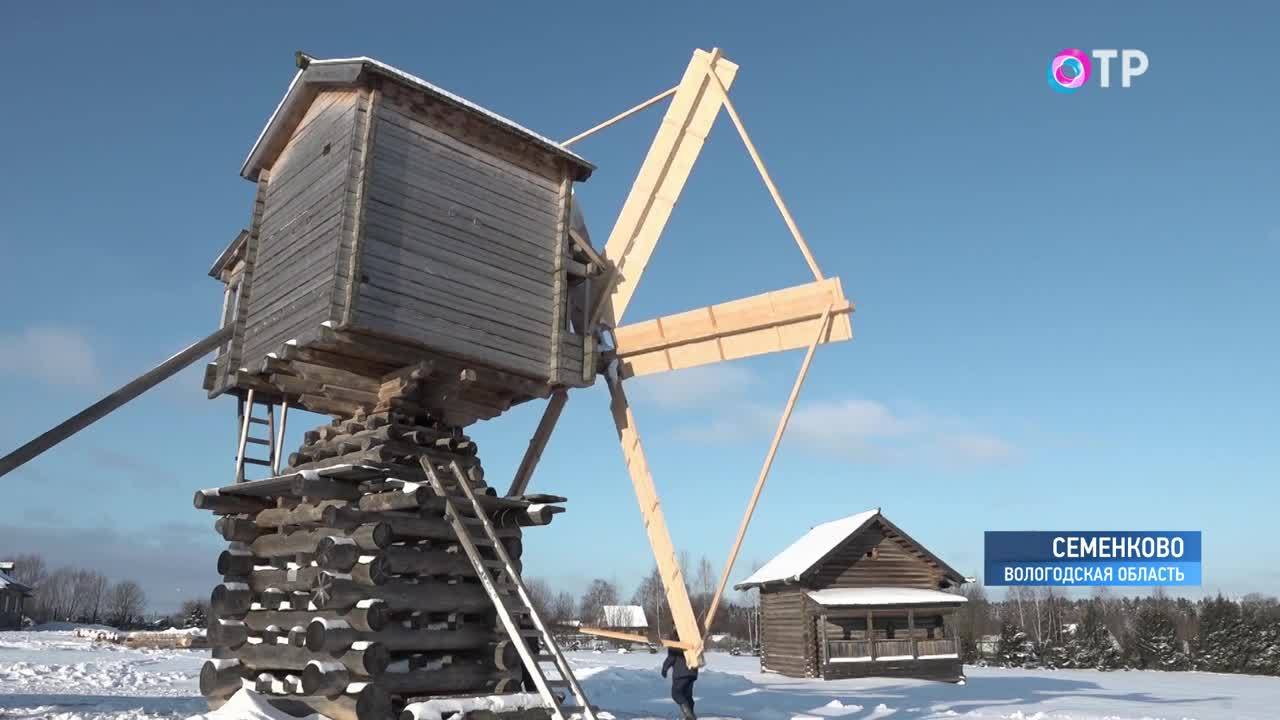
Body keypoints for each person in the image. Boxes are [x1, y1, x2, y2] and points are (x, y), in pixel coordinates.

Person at [661, 642, 698, 720]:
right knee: (687, 696)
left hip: (681, 673)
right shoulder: (692, 637)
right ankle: (691, 715)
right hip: (692, 672)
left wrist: (664, 668)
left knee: (676, 694)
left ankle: (689, 716)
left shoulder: (675, 640)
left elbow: (671, 657)